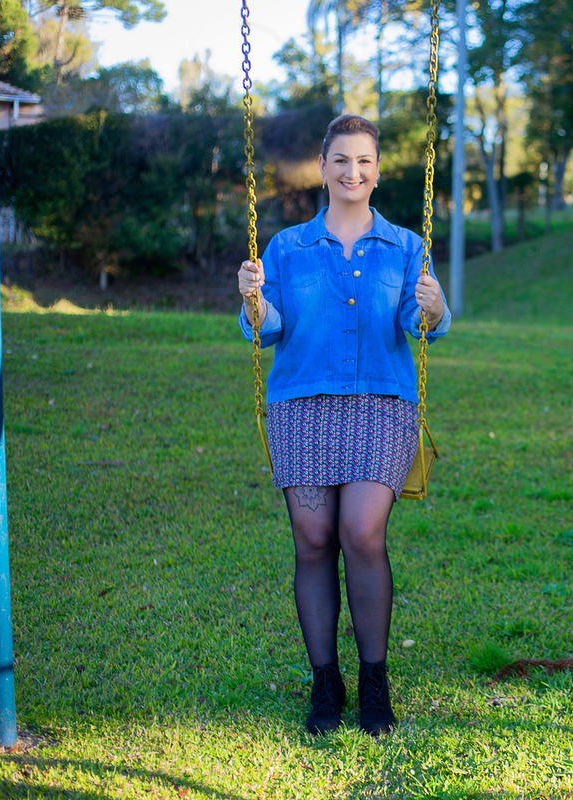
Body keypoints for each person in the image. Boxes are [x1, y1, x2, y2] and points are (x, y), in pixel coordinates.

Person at [237, 114, 450, 737]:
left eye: (363, 161)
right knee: (311, 539)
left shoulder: (407, 246)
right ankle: (325, 680)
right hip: (301, 405)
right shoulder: (285, 247)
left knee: (360, 532)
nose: (351, 171)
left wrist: (435, 310)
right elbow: (267, 328)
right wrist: (252, 299)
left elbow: (420, 321)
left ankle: (374, 680)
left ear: (377, 173)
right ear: (323, 169)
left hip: (382, 405)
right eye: (340, 160)